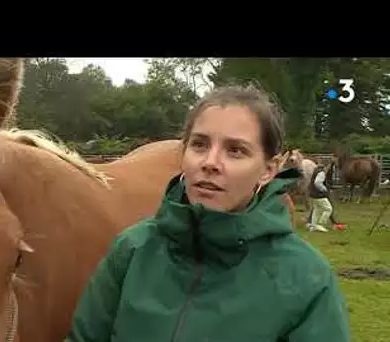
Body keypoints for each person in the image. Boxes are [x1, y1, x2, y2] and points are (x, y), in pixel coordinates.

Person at [65, 84, 351, 342]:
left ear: (268, 170)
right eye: (200, 144)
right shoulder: (131, 251)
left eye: (235, 150)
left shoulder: (307, 279)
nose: (210, 162)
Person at [306, 161, 343, 232]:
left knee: (316, 210)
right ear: (327, 166)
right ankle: (320, 224)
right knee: (328, 209)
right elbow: (317, 182)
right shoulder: (321, 172)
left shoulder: (316, 171)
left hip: (313, 194)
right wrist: (325, 189)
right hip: (319, 195)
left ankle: (313, 226)